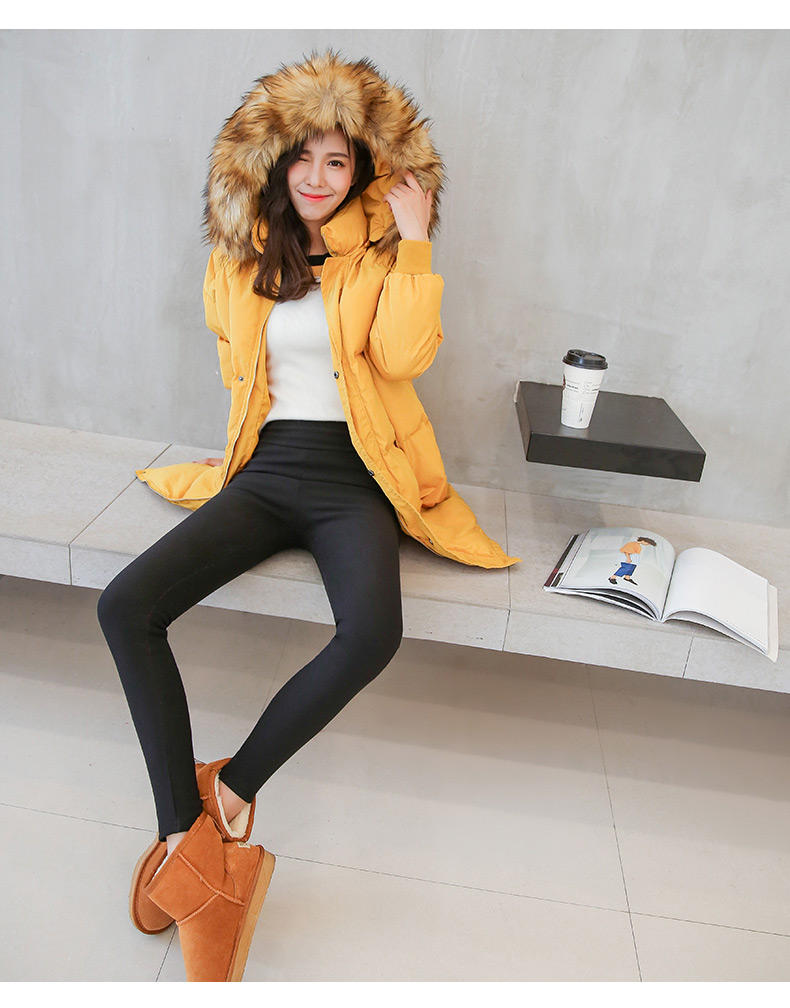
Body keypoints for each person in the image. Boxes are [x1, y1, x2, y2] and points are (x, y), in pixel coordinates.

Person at [97, 52, 518, 983]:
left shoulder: (382, 253)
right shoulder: (247, 251)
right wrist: (235, 242)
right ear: (278, 163)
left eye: (338, 162)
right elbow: (233, 357)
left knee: (371, 633)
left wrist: (417, 242)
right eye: (304, 160)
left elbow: (402, 358)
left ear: (361, 169)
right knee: (124, 605)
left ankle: (232, 790)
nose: (319, 178)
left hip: (355, 477)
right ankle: (186, 839)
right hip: (267, 469)